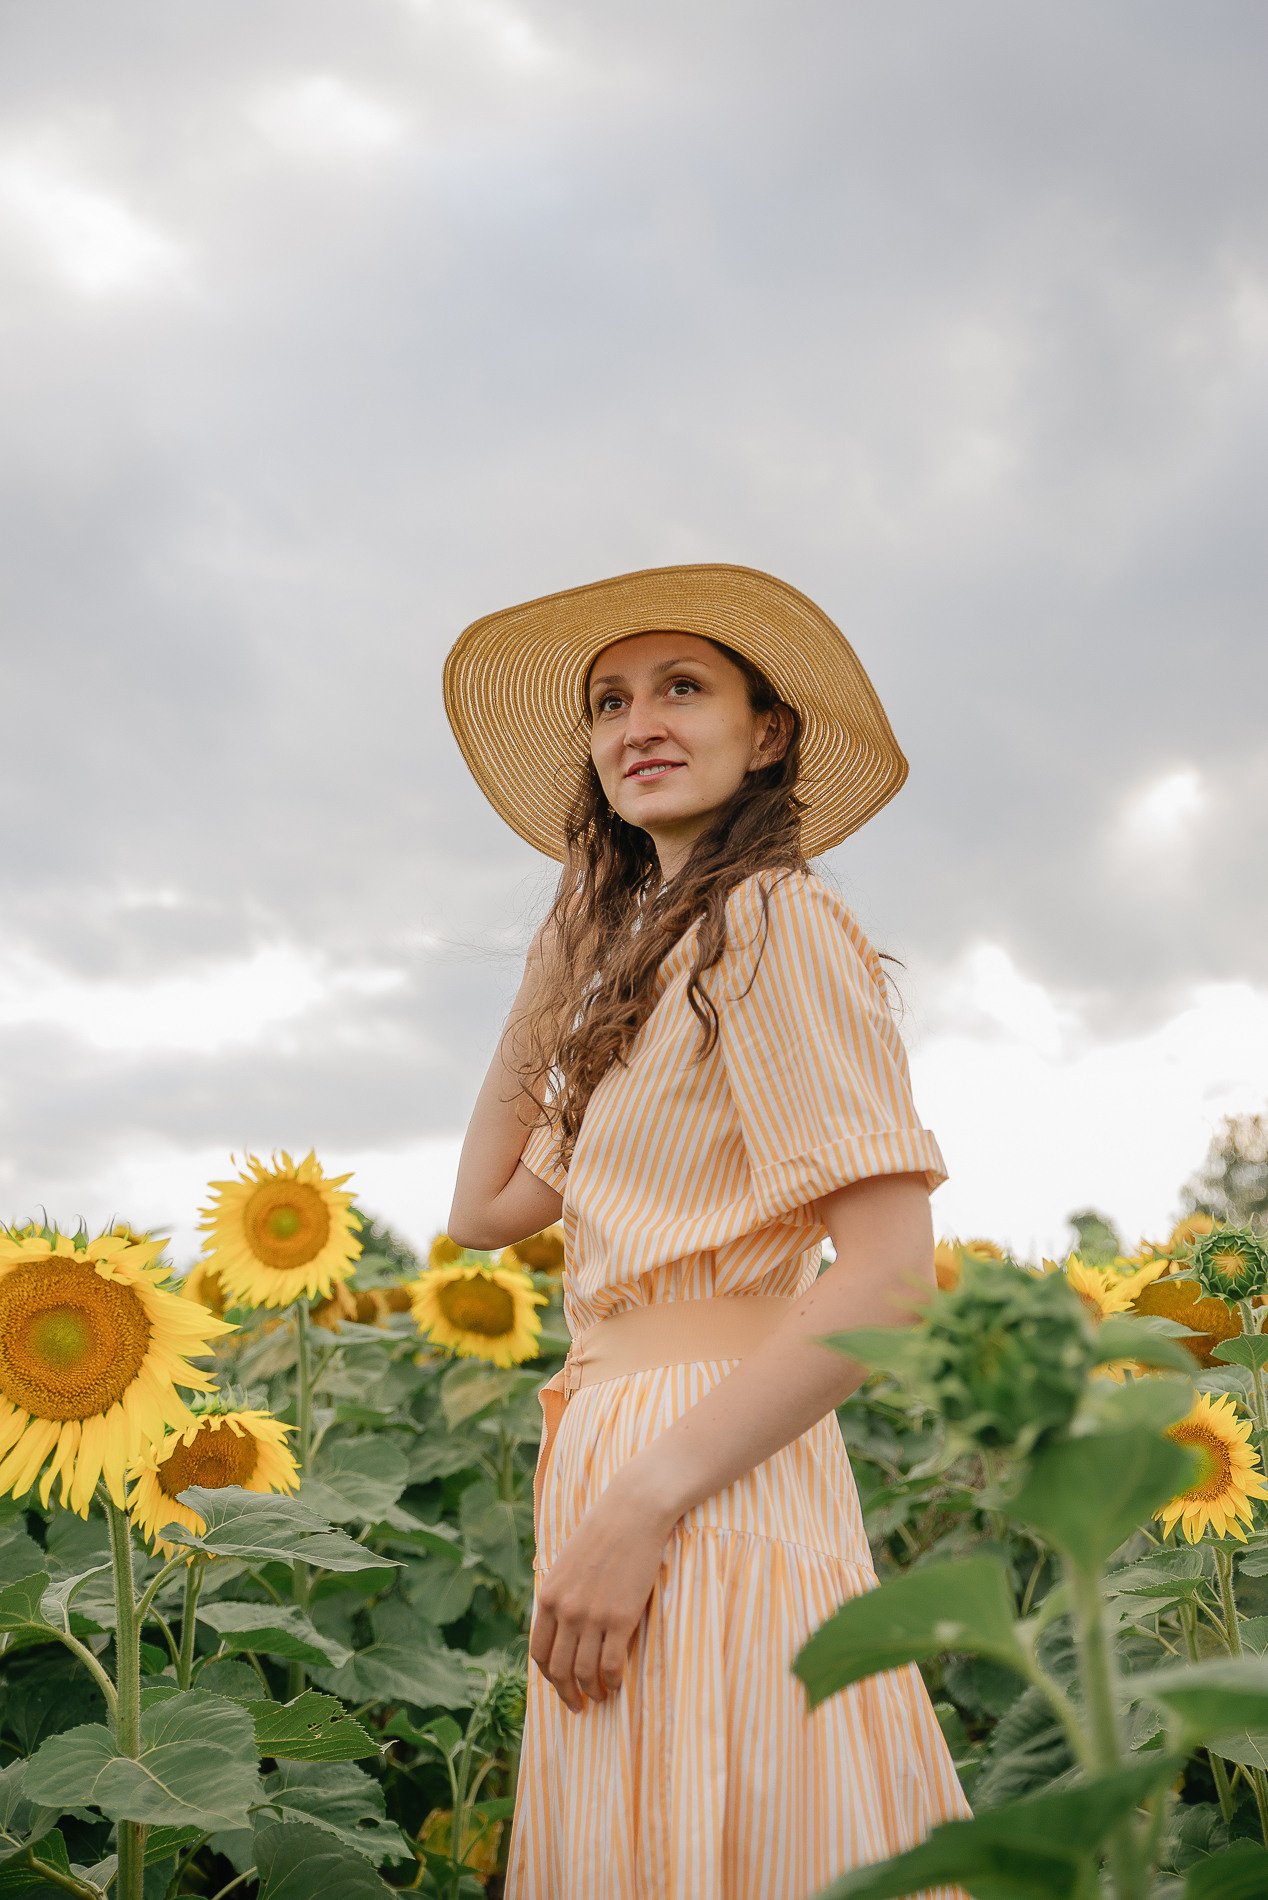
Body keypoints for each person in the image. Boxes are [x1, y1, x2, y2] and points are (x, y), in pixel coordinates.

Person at [443, 565, 970, 1900]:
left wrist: (646, 1501)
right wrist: (548, 976)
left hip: (706, 1470)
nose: (640, 722)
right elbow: (483, 1214)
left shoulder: (771, 925)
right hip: (621, 1455)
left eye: (685, 687)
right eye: (611, 701)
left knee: (742, 1836)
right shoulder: (656, 974)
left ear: (768, 732)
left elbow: (893, 1278)